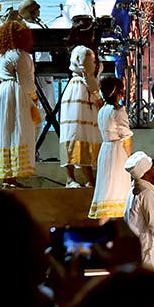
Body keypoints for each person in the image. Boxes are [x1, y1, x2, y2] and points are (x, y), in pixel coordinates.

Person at [0, 20, 39, 187]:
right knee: (19, 129)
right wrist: (34, 97)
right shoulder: (21, 55)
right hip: (16, 93)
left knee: (6, 131)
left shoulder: (3, 55)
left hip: (3, 92)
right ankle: (14, 175)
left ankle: (7, 177)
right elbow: (25, 81)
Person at [59, 25, 100, 188]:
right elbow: (88, 75)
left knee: (73, 132)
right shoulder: (85, 52)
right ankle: (87, 178)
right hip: (82, 92)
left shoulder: (77, 50)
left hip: (74, 91)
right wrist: (97, 96)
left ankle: (71, 178)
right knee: (82, 133)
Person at [89, 77, 132, 221]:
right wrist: (130, 159)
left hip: (106, 150)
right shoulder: (118, 111)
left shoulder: (102, 110)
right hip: (117, 152)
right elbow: (126, 138)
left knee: (107, 189)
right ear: (119, 93)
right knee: (117, 188)